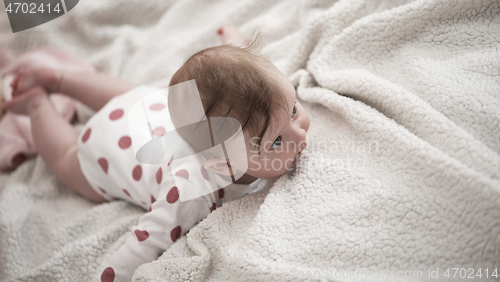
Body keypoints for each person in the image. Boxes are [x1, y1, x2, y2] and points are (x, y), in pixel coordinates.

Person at [2, 25, 310, 281]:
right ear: (223, 164)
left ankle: (59, 79)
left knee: (126, 95)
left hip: (145, 107)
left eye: (294, 110)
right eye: (277, 143)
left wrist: (237, 48)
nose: (300, 134)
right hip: (102, 152)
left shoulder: (255, 109)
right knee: (65, 156)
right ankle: (36, 102)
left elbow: (254, 82)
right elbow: (144, 242)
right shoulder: (191, 191)